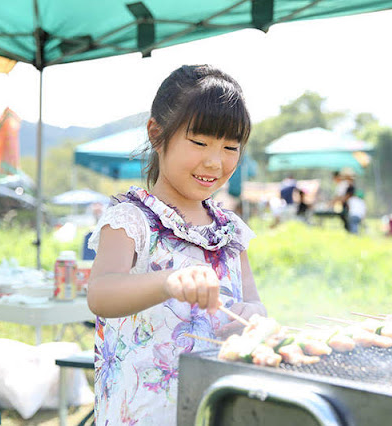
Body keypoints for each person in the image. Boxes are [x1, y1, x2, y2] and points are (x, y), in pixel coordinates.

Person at [86, 65, 266, 425]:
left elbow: (253, 302)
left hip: (214, 407)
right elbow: (101, 293)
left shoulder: (230, 231)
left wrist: (254, 318)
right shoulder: (131, 220)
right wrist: (168, 281)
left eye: (230, 147)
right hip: (143, 414)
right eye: (199, 143)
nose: (215, 161)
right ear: (156, 133)